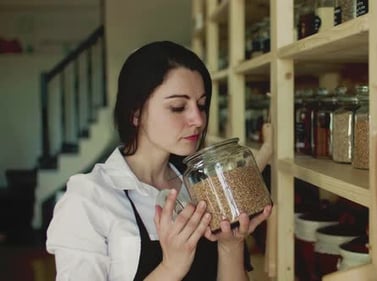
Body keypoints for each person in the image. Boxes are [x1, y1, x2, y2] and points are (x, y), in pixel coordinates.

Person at [46, 41, 273, 281]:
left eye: (202, 105)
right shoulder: (89, 198)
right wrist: (171, 267)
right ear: (135, 112)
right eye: (177, 107)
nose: (197, 119)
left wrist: (231, 246)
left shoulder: (203, 183)